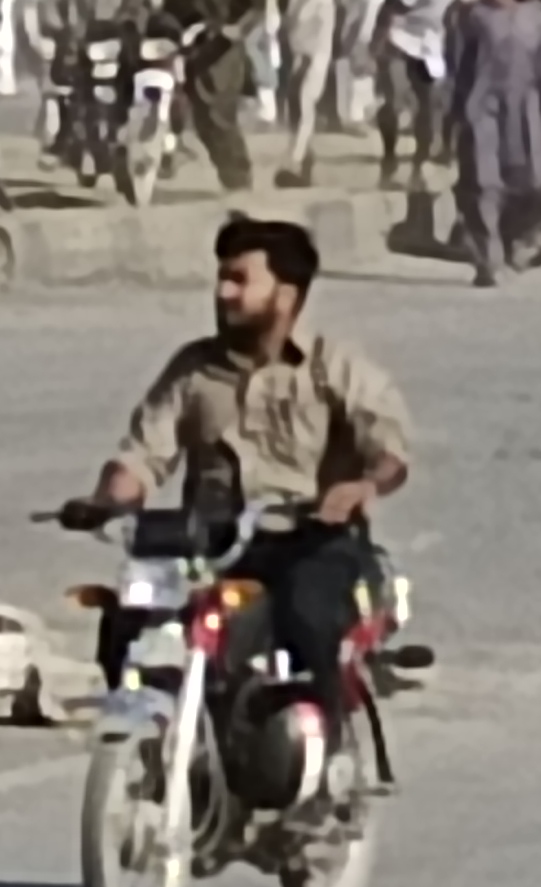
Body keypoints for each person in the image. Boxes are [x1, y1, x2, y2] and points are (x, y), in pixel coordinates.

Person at [66, 217, 412, 714]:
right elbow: (144, 453)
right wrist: (108, 500)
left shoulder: (333, 368)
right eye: (221, 278)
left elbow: (388, 446)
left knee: (306, 613)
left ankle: (327, 738)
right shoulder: (193, 370)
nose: (223, 292)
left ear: (287, 296)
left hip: (309, 540)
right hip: (211, 545)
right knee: (128, 617)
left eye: (239, 280)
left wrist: (363, 486)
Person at [440, 0, 541, 287]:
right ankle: (488, 260)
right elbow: (457, 66)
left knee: (537, 185)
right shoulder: (474, 15)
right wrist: (453, 114)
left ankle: (515, 240)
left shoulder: (537, 17)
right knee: (483, 184)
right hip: (482, 111)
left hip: (526, 114)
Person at [145, 0, 264, 198]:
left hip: (221, 43)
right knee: (190, 112)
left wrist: (237, 29)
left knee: (218, 114)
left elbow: (257, 2)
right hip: (180, 37)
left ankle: (239, 178)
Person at [34, 0, 142, 177]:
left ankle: (139, 136)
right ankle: (61, 141)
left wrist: (133, 13)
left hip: (117, 31)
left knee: (133, 82)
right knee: (68, 89)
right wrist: (57, 27)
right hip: (76, 35)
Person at [269, 0, 356, 186]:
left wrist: (342, 33)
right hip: (290, 32)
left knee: (306, 95)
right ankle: (304, 154)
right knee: (293, 97)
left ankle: (293, 160)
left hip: (322, 28)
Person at [369, 0, 459, 192]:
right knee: (395, 101)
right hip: (400, 38)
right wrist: (378, 42)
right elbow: (392, 7)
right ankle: (389, 159)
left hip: (432, 45)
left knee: (429, 108)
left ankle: (418, 168)